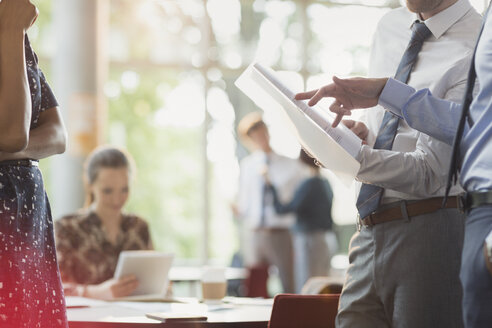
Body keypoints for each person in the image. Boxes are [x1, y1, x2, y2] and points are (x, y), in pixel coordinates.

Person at [296, 1, 481, 327]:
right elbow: (388, 131)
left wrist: (353, 158)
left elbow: (429, 174)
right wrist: (360, 138)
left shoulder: (479, 45)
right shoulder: (390, 27)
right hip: (367, 232)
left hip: (431, 230)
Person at [0, 1, 69, 327]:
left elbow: (57, 135)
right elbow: (13, 132)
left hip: (30, 236)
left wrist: (9, 151)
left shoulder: (18, 39)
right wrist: (11, 29)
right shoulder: (12, 29)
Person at [55, 146, 153, 300]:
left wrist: (161, 287)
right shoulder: (68, 227)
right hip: (86, 321)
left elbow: (152, 279)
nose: (117, 199)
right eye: (107, 191)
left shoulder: (139, 227)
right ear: (90, 185)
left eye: (124, 189)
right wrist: (96, 293)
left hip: (135, 319)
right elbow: (53, 289)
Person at [235, 112, 307, 293]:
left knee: (287, 283)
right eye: (254, 136)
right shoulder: (248, 166)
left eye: (262, 133)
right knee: (255, 286)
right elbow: (245, 203)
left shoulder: (290, 164)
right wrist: (237, 210)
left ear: (268, 132)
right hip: (255, 233)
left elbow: (294, 200)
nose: (260, 138)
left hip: (280, 232)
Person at [266, 149, 334, 293]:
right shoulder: (325, 183)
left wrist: (271, 186)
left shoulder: (309, 184)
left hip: (309, 239)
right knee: (322, 285)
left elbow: (283, 209)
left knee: (307, 285)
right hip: (325, 238)